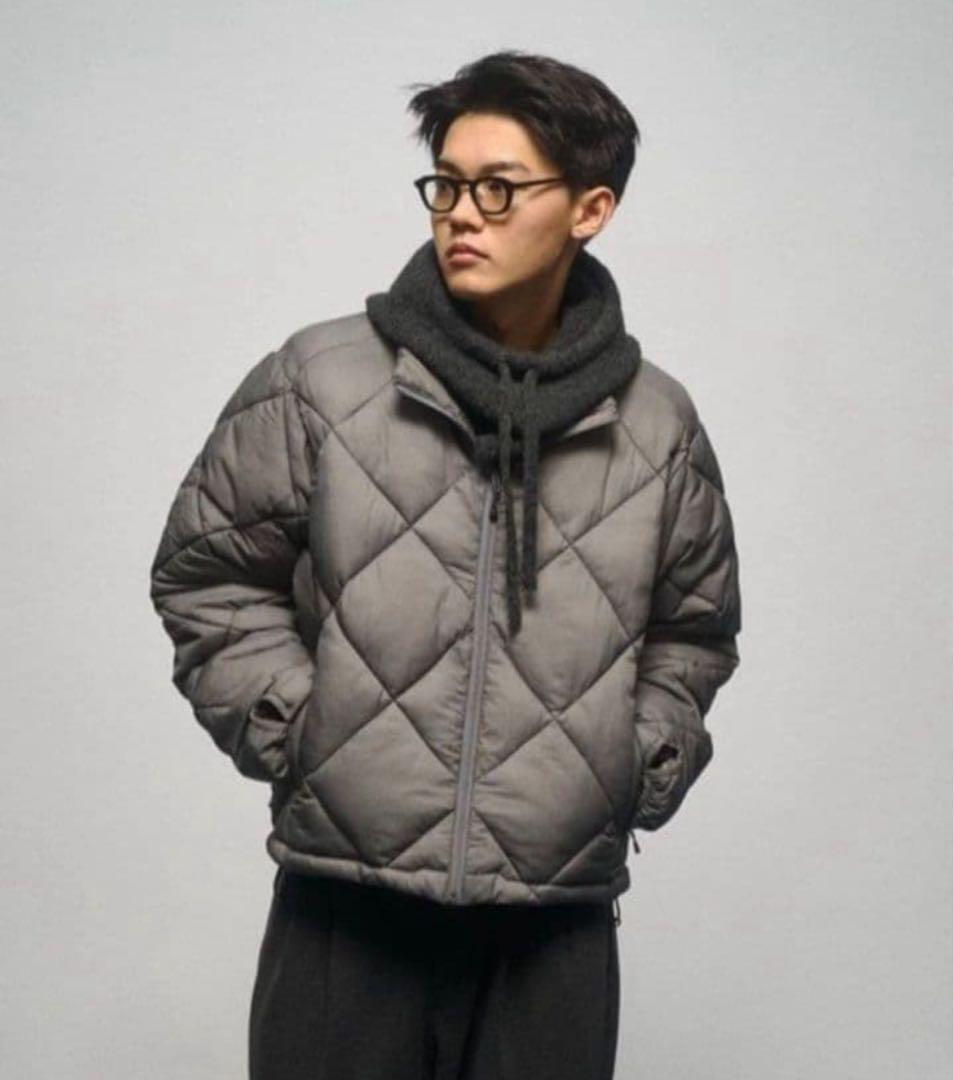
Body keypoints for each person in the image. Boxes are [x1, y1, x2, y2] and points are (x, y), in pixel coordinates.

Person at [149, 49, 742, 1080]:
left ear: (591, 209)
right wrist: (305, 732)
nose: (464, 213)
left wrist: (630, 767)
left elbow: (693, 632)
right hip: (344, 912)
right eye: (449, 185)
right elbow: (207, 574)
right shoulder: (321, 380)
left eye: (500, 188)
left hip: (554, 929)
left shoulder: (658, 424)